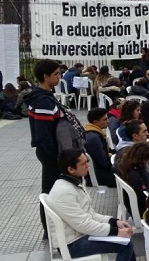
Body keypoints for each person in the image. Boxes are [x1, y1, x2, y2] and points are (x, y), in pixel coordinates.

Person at [47, 149, 136, 261]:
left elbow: (90, 215)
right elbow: (83, 224)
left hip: (80, 235)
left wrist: (114, 222)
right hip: (73, 244)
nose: (88, 166)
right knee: (126, 245)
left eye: (87, 162)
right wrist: (116, 231)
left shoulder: (73, 183)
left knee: (126, 242)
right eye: (83, 164)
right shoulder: (64, 192)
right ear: (71, 169)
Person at [24, 59, 62, 238]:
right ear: (45, 77)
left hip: (47, 151)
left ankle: (52, 228)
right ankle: (50, 229)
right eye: (55, 74)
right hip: (49, 152)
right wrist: (57, 156)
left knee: (51, 189)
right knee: (50, 192)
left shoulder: (42, 96)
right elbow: (44, 133)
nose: (59, 77)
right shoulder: (42, 101)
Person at [84, 107, 116, 187]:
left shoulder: (91, 133)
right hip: (100, 176)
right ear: (95, 122)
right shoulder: (94, 138)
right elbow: (104, 163)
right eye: (104, 120)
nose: (108, 121)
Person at [118, 142, 149, 215]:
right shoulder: (134, 175)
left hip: (138, 204)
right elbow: (143, 195)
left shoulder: (128, 166)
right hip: (143, 210)